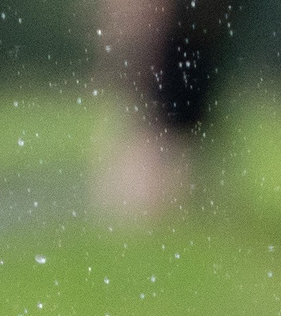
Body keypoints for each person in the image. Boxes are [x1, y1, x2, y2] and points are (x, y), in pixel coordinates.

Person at [93, 0, 242, 220]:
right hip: (177, 42)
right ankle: (145, 207)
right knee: (162, 132)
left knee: (168, 133)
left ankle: (153, 208)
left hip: (182, 42)